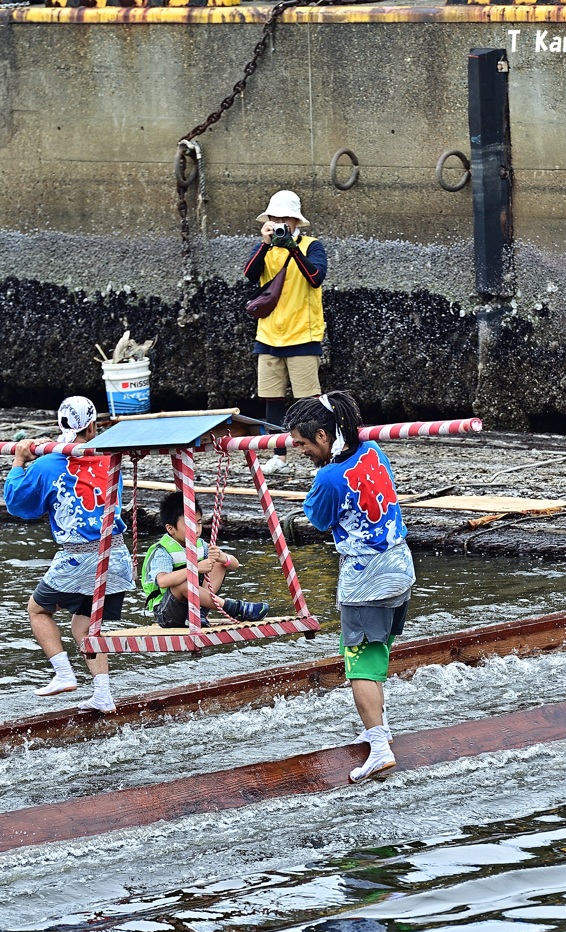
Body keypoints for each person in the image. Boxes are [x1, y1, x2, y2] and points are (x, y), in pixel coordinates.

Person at [284, 391, 415, 783]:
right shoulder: (373, 450)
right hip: (399, 567)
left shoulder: (327, 477)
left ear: (323, 437)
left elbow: (320, 520)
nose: (302, 451)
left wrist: (320, 479)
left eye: (304, 444)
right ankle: (377, 729)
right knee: (376, 655)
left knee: (360, 665)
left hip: (365, 580)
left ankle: (379, 746)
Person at [3, 396, 134, 713]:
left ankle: (63, 674)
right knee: (84, 627)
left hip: (80, 557)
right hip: (117, 557)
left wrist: (20, 461)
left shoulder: (49, 462)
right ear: (91, 426)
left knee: (37, 610)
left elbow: (18, 504)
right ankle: (103, 693)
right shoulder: (107, 457)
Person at [244, 189, 327, 474]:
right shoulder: (265, 250)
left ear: (296, 221)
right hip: (268, 335)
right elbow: (250, 274)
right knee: (272, 399)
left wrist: (292, 247)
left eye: (285, 220)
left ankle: (320, 455)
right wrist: (265, 244)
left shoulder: (312, 246)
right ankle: (279, 455)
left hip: (303, 335)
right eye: (275, 219)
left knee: (309, 403)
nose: (280, 224)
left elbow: (316, 278)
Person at [141, 491, 269, 627]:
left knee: (218, 563)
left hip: (194, 606)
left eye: (199, 523)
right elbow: (163, 581)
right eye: (189, 525)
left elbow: (235, 565)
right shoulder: (162, 551)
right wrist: (195, 568)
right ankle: (235, 608)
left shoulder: (200, 545)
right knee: (182, 583)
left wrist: (222, 557)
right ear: (171, 528)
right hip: (167, 614)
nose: (196, 530)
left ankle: (199, 612)